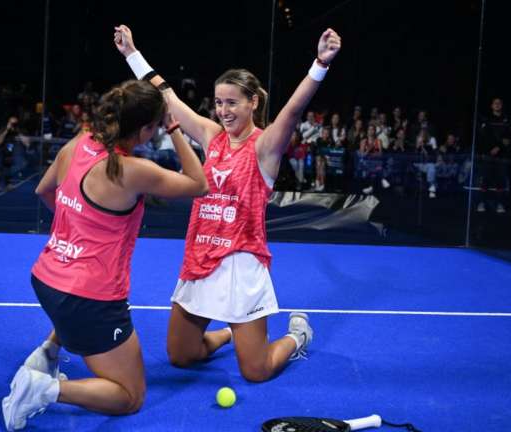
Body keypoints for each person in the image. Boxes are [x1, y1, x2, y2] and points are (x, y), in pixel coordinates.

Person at [114, 24, 341, 382]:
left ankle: (297, 337)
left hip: (241, 263)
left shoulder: (265, 148)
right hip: (200, 256)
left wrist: (320, 65)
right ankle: (227, 335)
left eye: (232, 102)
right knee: (181, 356)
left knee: (256, 371)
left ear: (253, 102)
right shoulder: (212, 136)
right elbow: (168, 97)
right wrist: (132, 54)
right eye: (219, 102)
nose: (223, 111)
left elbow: (293, 112)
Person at [1, 79, 208, 431]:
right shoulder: (132, 170)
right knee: (130, 396)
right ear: (144, 129)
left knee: (74, 314)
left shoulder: (80, 143)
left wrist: (76, 231)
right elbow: (198, 183)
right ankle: (44, 389)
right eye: (155, 125)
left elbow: (44, 190)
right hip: (88, 298)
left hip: (46, 277)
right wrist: (174, 129)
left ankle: (47, 354)